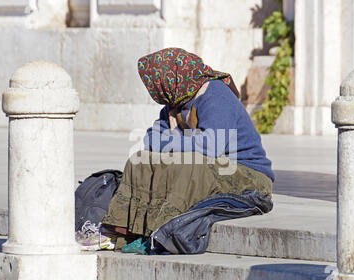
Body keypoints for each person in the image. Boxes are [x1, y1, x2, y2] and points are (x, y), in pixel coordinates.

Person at [78, 47, 275, 253]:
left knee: (189, 165)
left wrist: (173, 139)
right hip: (211, 167)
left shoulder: (216, 94)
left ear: (170, 78)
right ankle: (119, 232)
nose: (155, 89)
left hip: (248, 176)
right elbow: (150, 139)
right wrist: (179, 141)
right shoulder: (176, 102)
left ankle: (162, 231)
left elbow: (210, 146)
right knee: (141, 161)